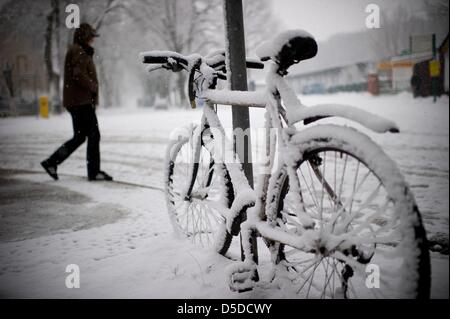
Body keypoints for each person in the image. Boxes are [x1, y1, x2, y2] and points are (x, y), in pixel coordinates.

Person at [41, 23, 112, 181]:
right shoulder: (79, 51)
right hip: (80, 102)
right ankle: (93, 172)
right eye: (91, 36)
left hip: (77, 101)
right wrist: (93, 86)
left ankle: (52, 162)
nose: (93, 39)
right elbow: (78, 74)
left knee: (80, 137)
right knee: (93, 135)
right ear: (84, 37)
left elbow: (78, 74)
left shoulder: (78, 50)